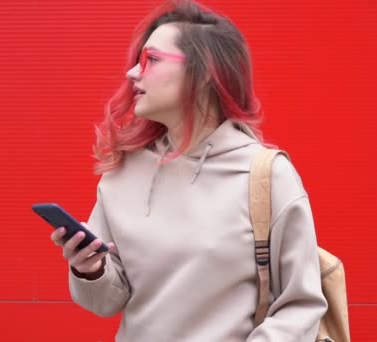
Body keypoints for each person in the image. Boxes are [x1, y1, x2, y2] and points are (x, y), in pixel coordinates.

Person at [50, 1, 327, 340]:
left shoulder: (267, 175)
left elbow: (301, 304)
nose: (133, 73)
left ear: (205, 71)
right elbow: (107, 301)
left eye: (151, 60)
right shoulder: (122, 174)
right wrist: (90, 269)